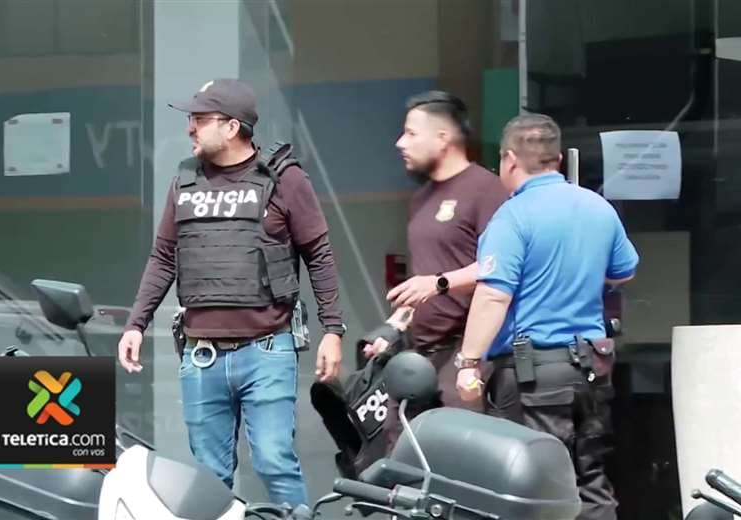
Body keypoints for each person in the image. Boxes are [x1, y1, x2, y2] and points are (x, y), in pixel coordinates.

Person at [116, 78, 347, 508]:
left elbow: (318, 254)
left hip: (267, 349)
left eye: (200, 119)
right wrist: (136, 324)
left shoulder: (284, 179)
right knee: (210, 476)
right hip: (201, 355)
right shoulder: (185, 180)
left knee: (274, 462)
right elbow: (163, 257)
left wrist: (332, 330)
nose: (190, 127)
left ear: (232, 126)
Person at [455, 113, 639, 520]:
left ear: (509, 159)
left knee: (532, 488)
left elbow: (493, 294)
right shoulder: (597, 207)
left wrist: (468, 363)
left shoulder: (513, 216)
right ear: (556, 159)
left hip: (532, 375)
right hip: (590, 369)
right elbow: (624, 271)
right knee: (590, 481)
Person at [363, 90, 508, 450]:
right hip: (419, 354)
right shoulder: (421, 198)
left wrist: (439, 284)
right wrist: (394, 328)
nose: (400, 143)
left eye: (411, 133)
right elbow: (423, 279)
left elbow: (501, 267)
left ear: (443, 138)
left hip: (466, 355)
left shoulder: (487, 190)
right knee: (401, 450)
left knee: (459, 457)